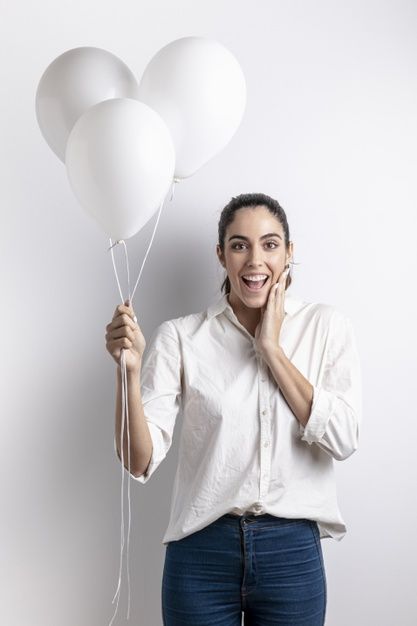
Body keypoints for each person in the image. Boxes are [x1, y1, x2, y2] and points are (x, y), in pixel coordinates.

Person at [105, 192, 362, 626]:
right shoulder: (182, 337)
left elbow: (343, 439)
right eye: (240, 245)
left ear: (289, 253)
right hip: (202, 552)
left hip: (291, 553)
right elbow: (138, 460)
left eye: (270, 244)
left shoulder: (326, 326)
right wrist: (127, 374)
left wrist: (272, 350)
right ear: (221, 255)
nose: (255, 260)